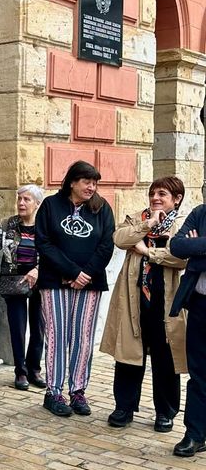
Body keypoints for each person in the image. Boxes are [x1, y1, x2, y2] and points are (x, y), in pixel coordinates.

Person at [101, 177, 187, 433]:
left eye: (162, 194)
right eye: (152, 194)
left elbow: (181, 257)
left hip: (166, 302)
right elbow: (119, 238)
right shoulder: (137, 219)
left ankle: (165, 412)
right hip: (134, 299)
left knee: (166, 358)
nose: (155, 198)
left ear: (176, 199)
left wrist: (148, 252)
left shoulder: (182, 225)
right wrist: (148, 224)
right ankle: (124, 407)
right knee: (128, 354)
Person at [35, 160, 114, 417]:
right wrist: (72, 272)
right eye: (86, 182)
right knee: (57, 335)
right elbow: (44, 243)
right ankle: (54, 392)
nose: (91, 187)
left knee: (83, 337)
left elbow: (106, 244)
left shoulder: (102, 208)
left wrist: (86, 274)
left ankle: (78, 390)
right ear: (72, 182)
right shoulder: (51, 205)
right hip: (54, 281)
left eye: (94, 183)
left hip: (90, 283)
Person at [0, 185, 46, 391]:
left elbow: (53, 253)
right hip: (14, 280)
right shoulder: (8, 224)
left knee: (39, 327)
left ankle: (34, 369)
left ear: (37, 204)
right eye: (19, 199)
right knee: (17, 328)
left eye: (27, 199)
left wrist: (38, 270)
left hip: (40, 280)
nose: (21, 203)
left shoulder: (46, 226)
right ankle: (20, 371)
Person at [167, 200, 206, 457]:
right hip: (201, 305)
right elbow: (178, 246)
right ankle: (195, 434)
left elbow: (190, 250)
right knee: (199, 373)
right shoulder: (200, 213)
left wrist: (198, 246)